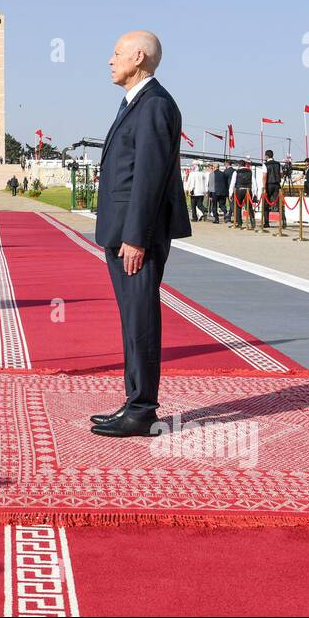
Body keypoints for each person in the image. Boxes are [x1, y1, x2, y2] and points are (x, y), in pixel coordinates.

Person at [89, 30, 191, 437]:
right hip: (123, 231)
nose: (110, 60)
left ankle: (143, 408)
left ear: (139, 57)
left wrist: (136, 237)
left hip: (137, 236)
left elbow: (147, 178)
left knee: (141, 318)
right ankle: (134, 401)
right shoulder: (136, 102)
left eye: (117, 53)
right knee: (132, 319)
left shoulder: (154, 106)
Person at [261, 149, 281, 225]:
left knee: (266, 203)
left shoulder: (265, 164)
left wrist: (264, 187)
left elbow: (264, 176)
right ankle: (283, 221)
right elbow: (281, 174)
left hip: (269, 185)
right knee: (279, 203)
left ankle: (266, 222)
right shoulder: (278, 164)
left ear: (266, 156)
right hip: (277, 184)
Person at [232, 158, 254, 227]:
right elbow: (254, 183)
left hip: (239, 190)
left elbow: (232, 183)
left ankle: (239, 223)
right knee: (249, 207)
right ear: (245, 165)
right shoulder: (250, 172)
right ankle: (252, 221)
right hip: (248, 189)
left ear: (239, 165)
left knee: (238, 207)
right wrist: (254, 192)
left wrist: (230, 194)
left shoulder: (236, 172)